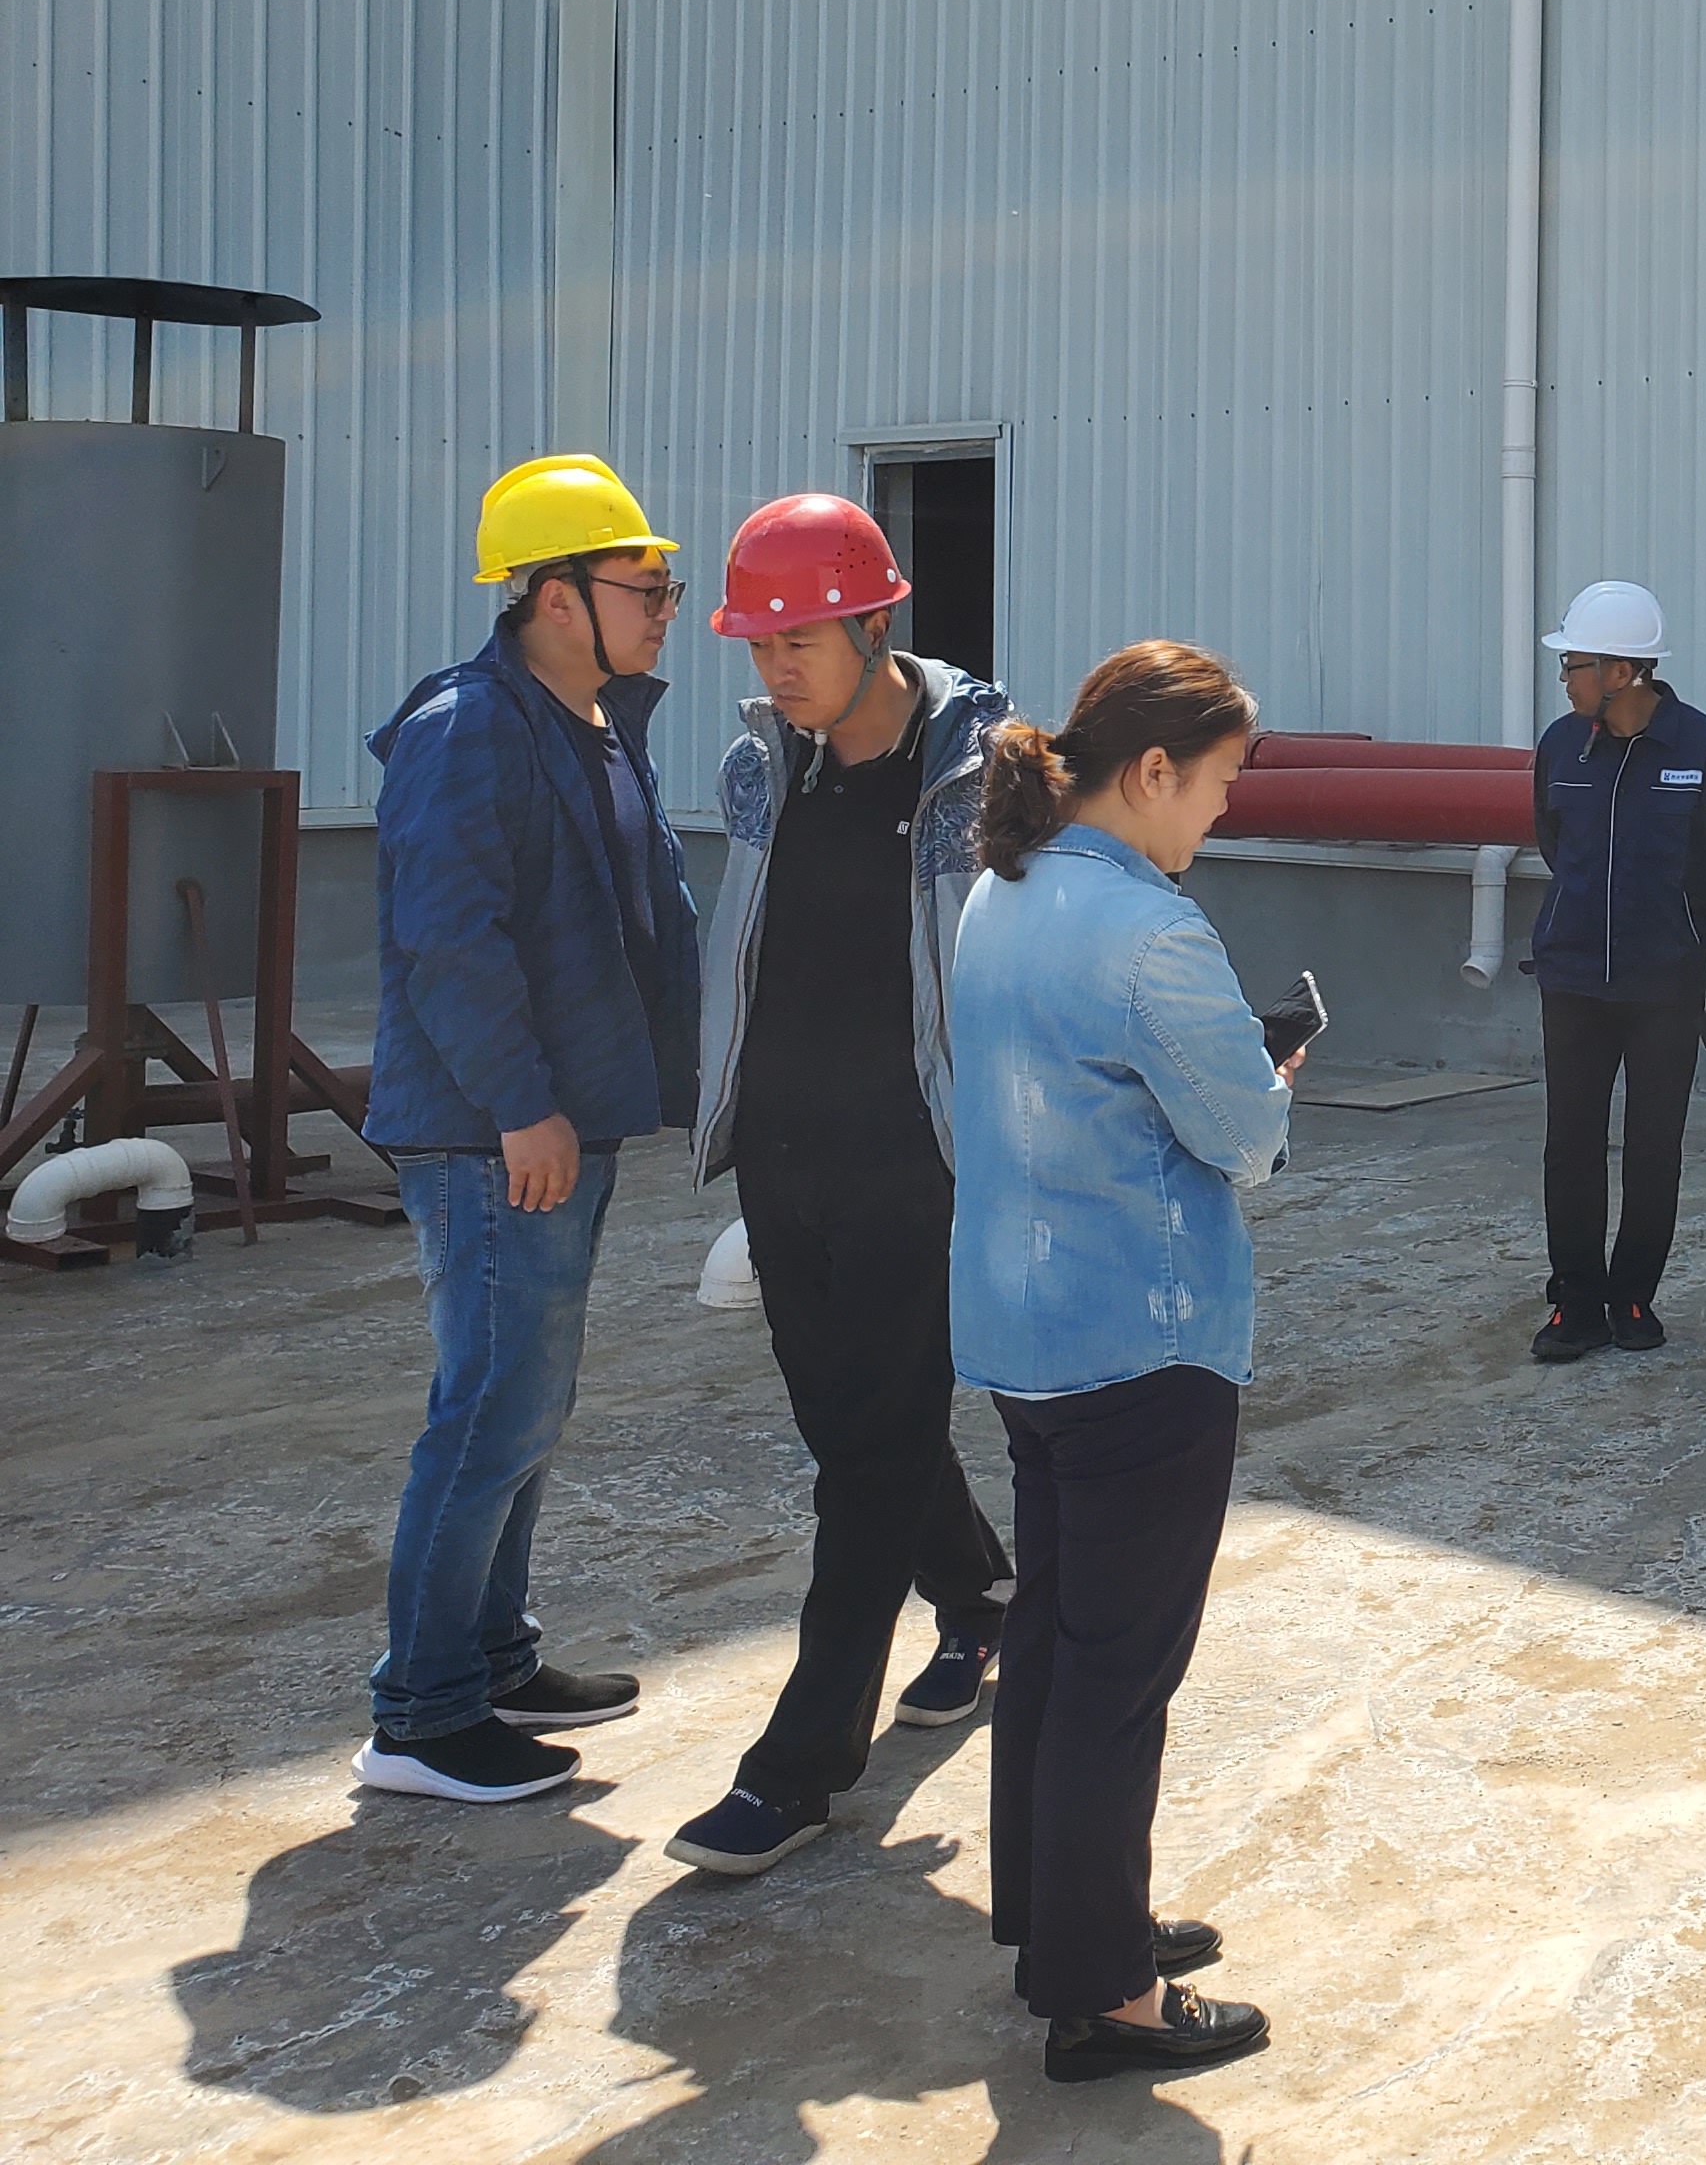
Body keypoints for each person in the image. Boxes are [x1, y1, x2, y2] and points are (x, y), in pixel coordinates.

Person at [949, 642, 1290, 2082]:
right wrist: (1271, 1080)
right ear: (1152, 771)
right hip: (1142, 1339)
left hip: (1022, 1331)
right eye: (1216, 785)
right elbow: (1244, 1138)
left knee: (1055, 1636)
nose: (1220, 812)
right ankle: (1105, 1994)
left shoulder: (1001, 889)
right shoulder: (1153, 933)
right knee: (1118, 1674)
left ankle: (1060, 1919)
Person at [663, 495, 1017, 1878]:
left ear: (876, 624)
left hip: (917, 1161)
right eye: (760, 646)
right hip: (784, 1152)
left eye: (800, 640)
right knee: (853, 1431)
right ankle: (981, 1594)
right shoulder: (765, 766)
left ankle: (798, 1770)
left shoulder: (982, 771)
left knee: (867, 1457)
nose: (777, 669)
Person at [353, 456, 701, 1806]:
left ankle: (492, 1658)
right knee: (492, 1409)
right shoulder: (469, 727)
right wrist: (520, 1105)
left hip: (559, 1117)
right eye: (643, 586)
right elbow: (449, 938)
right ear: (556, 596)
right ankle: (423, 1716)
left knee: (526, 1406)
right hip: (494, 1132)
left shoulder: (590, 720)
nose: (665, 608)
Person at [1524, 578, 1706, 1364]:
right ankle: (1577, 1301)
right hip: (1574, 981)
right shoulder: (1560, 747)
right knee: (1571, 1144)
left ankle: (1633, 1295)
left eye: (1573, 664)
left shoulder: (1703, 748)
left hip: (1665, 986)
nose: (1563, 678)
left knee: (1655, 1147)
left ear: (1622, 671)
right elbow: (1556, 843)